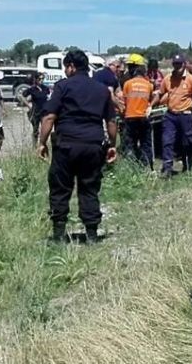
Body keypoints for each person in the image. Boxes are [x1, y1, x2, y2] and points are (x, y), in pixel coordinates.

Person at [37, 50, 118, 244]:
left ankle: (58, 234)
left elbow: (49, 116)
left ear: (72, 66)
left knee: (60, 189)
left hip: (66, 145)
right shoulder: (101, 90)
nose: (65, 71)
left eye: (66, 67)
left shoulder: (62, 86)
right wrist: (112, 146)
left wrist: (41, 143)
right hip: (92, 146)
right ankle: (91, 234)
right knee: (89, 188)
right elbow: (112, 121)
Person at [152, 53, 192, 178]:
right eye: (175, 64)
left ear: (184, 64)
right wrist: (150, 106)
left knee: (188, 142)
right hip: (171, 115)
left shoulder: (191, 79)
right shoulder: (168, 79)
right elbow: (160, 94)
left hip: (185, 114)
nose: (177, 67)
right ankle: (167, 167)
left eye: (179, 64)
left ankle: (188, 164)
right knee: (167, 140)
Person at [122, 54, 155, 170]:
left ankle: (131, 168)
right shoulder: (148, 85)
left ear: (134, 68)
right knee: (146, 144)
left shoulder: (127, 84)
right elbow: (151, 100)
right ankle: (147, 168)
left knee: (130, 144)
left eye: (130, 66)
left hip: (130, 118)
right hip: (144, 118)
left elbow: (124, 102)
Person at [18, 72, 50, 146]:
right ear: (36, 79)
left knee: (44, 129)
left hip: (44, 112)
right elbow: (22, 96)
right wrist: (28, 105)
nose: (41, 80)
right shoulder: (32, 89)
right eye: (39, 79)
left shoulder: (45, 88)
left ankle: (42, 145)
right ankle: (34, 146)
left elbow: (49, 96)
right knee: (35, 130)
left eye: (42, 79)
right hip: (35, 112)